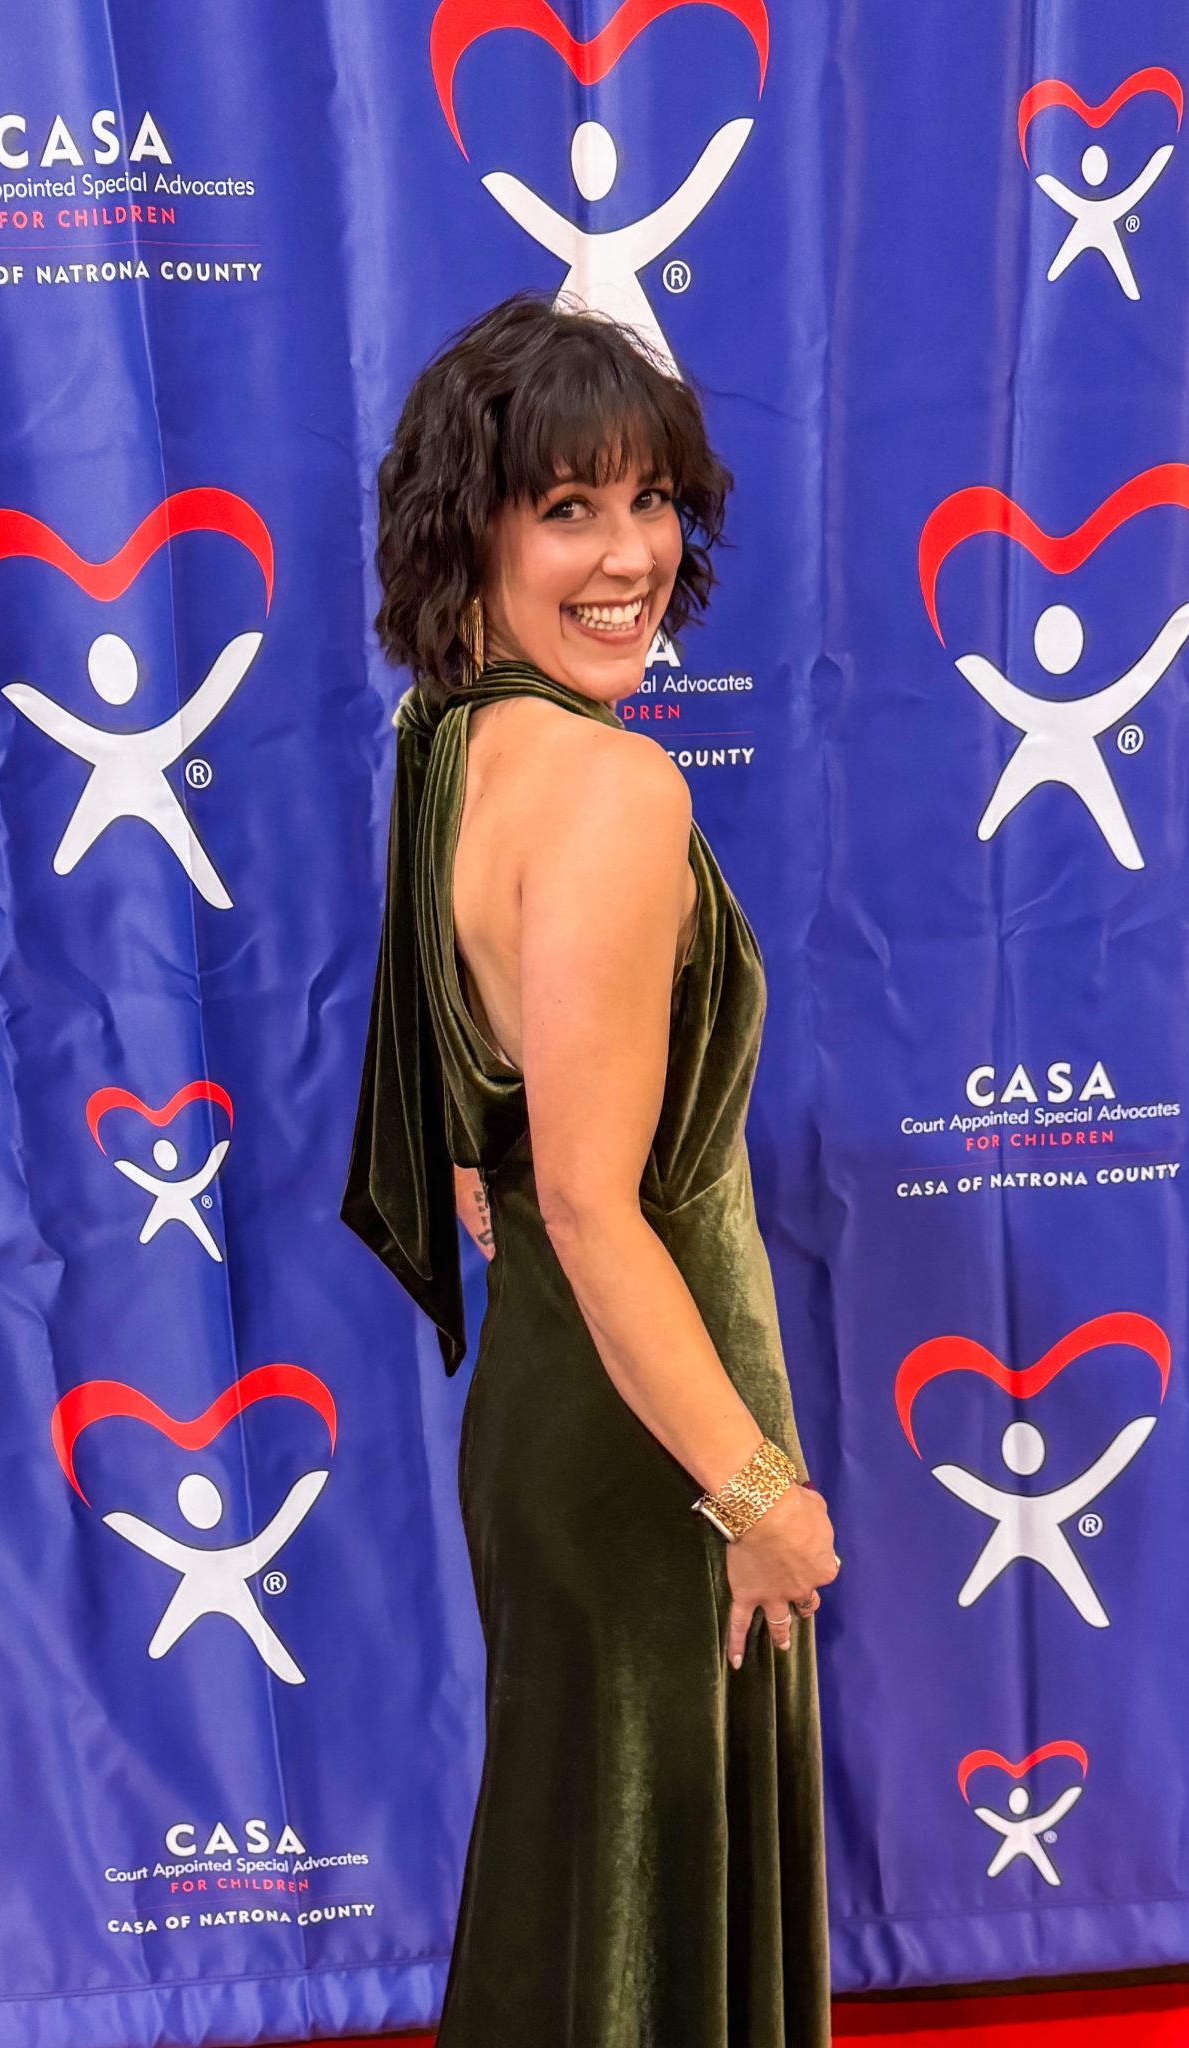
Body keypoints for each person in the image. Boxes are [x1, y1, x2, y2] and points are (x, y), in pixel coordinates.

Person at [340, 294, 839, 2046]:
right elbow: (583, 1202)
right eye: (568, 509)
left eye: (652, 501)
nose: (631, 555)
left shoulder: (447, 742)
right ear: (468, 532)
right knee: (656, 1917)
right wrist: (756, 1494)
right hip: (658, 1447)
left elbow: (479, 1118)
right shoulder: (616, 794)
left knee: (581, 1892)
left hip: (551, 1409)